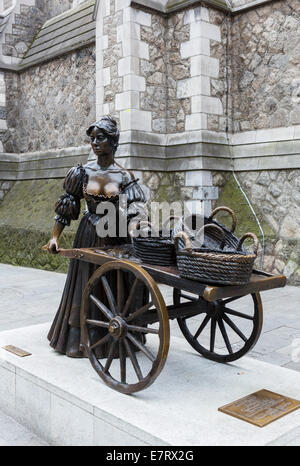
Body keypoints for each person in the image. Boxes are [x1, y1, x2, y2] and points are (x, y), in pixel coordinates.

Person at [43, 116, 148, 358]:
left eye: (100, 138)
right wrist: (55, 237)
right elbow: (67, 206)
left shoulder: (124, 175)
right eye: (92, 138)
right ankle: (82, 340)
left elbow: (135, 208)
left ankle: (118, 334)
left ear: (113, 142)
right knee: (86, 283)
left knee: (115, 283)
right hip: (90, 232)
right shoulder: (82, 172)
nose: (95, 143)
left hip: (116, 233)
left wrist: (135, 229)